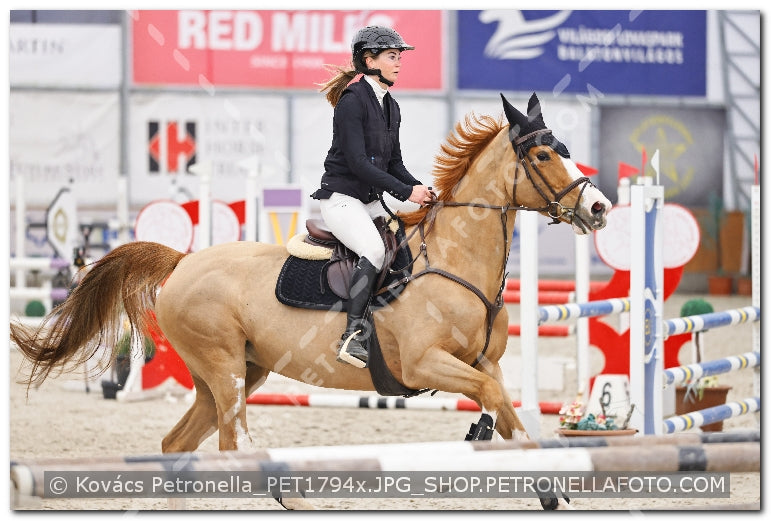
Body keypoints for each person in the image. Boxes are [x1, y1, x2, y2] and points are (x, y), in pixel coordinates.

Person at [311, 26, 434, 369]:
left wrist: (422, 189)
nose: (399, 63)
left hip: (366, 200)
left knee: (405, 245)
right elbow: (357, 163)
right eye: (393, 57)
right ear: (370, 60)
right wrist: (405, 191)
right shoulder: (352, 100)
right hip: (341, 199)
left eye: (399, 57)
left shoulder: (391, 106)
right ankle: (353, 334)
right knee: (375, 250)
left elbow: (395, 162)